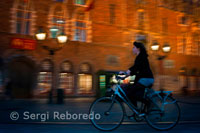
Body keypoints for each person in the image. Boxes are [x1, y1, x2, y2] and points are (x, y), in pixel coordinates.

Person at [120, 41, 154, 107]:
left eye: (134, 47)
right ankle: (137, 112)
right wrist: (127, 74)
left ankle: (146, 104)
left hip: (146, 79)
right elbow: (136, 70)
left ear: (138, 49)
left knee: (130, 92)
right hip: (143, 79)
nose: (132, 49)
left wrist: (128, 71)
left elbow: (136, 67)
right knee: (131, 90)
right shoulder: (140, 57)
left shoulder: (142, 56)